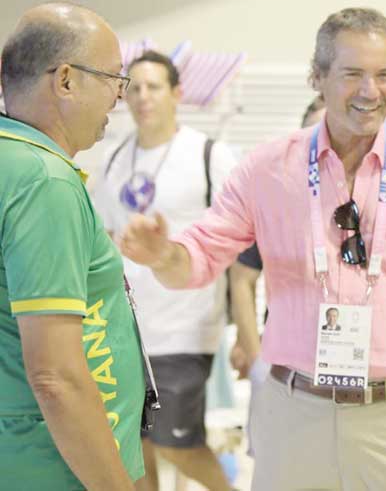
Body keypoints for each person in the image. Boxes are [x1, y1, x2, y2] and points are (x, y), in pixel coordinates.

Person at [119, 7, 386, 490]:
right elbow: (203, 252)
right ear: (318, 77)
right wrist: (164, 255)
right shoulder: (268, 169)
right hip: (294, 414)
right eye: (353, 74)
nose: (371, 91)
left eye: (385, 75)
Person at [0, 2, 146, 490]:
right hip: (53, 466)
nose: (118, 98)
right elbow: (55, 378)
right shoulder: (44, 182)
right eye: (113, 79)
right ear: (65, 80)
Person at [90, 50, 239, 491]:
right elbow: (102, 236)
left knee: (177, 444)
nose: (142, 96)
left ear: (177, 93)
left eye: (153, 86)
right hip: (127, 329)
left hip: (185, 328)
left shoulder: (209, 155)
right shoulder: (115, 160)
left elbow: (237, 236)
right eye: (132, 87)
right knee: (137, 453)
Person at [229, 96, 325, 378]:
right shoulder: (275, 201)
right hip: (286, 368)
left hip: (358, 368)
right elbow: (241, 278)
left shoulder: (372, 205)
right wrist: (255, 355)